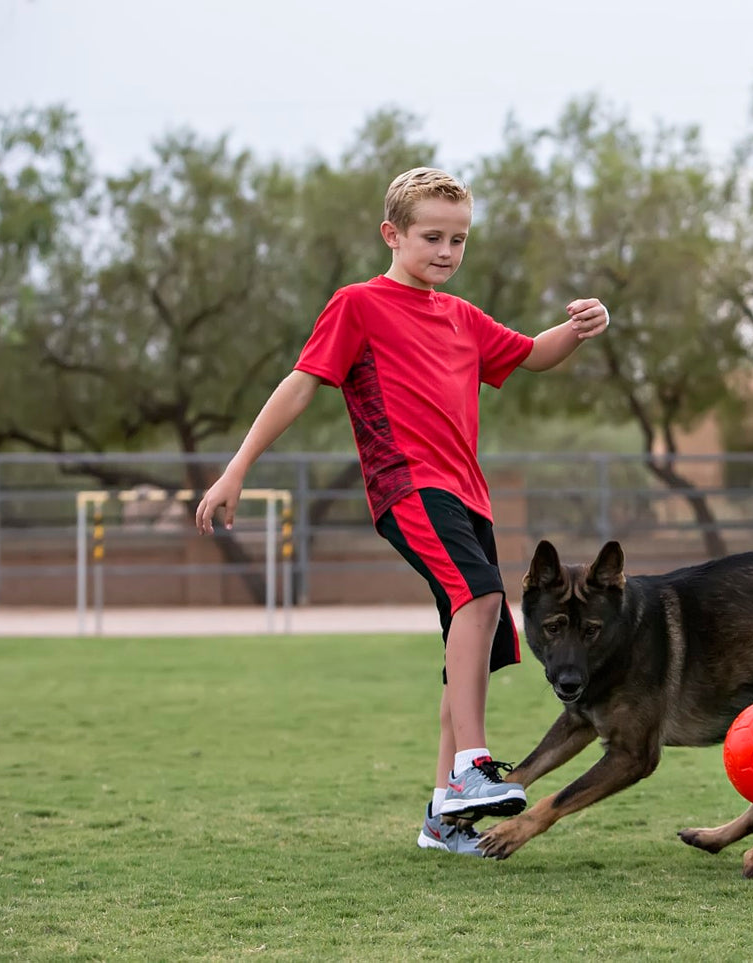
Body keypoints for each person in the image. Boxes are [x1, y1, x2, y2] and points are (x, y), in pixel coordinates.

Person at [193, 167, 609, 856]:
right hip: (409, 488)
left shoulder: (462, 316)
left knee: (467, 636)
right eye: (432, 237)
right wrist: (237, 467)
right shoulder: (358, 304)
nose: (446, 251)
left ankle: (443, 819)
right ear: (392, 234)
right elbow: (300, 387)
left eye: (459, 239)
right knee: (479, 599)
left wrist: (579, 327)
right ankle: (473, 767)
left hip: (468, 494)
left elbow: (532, 356)